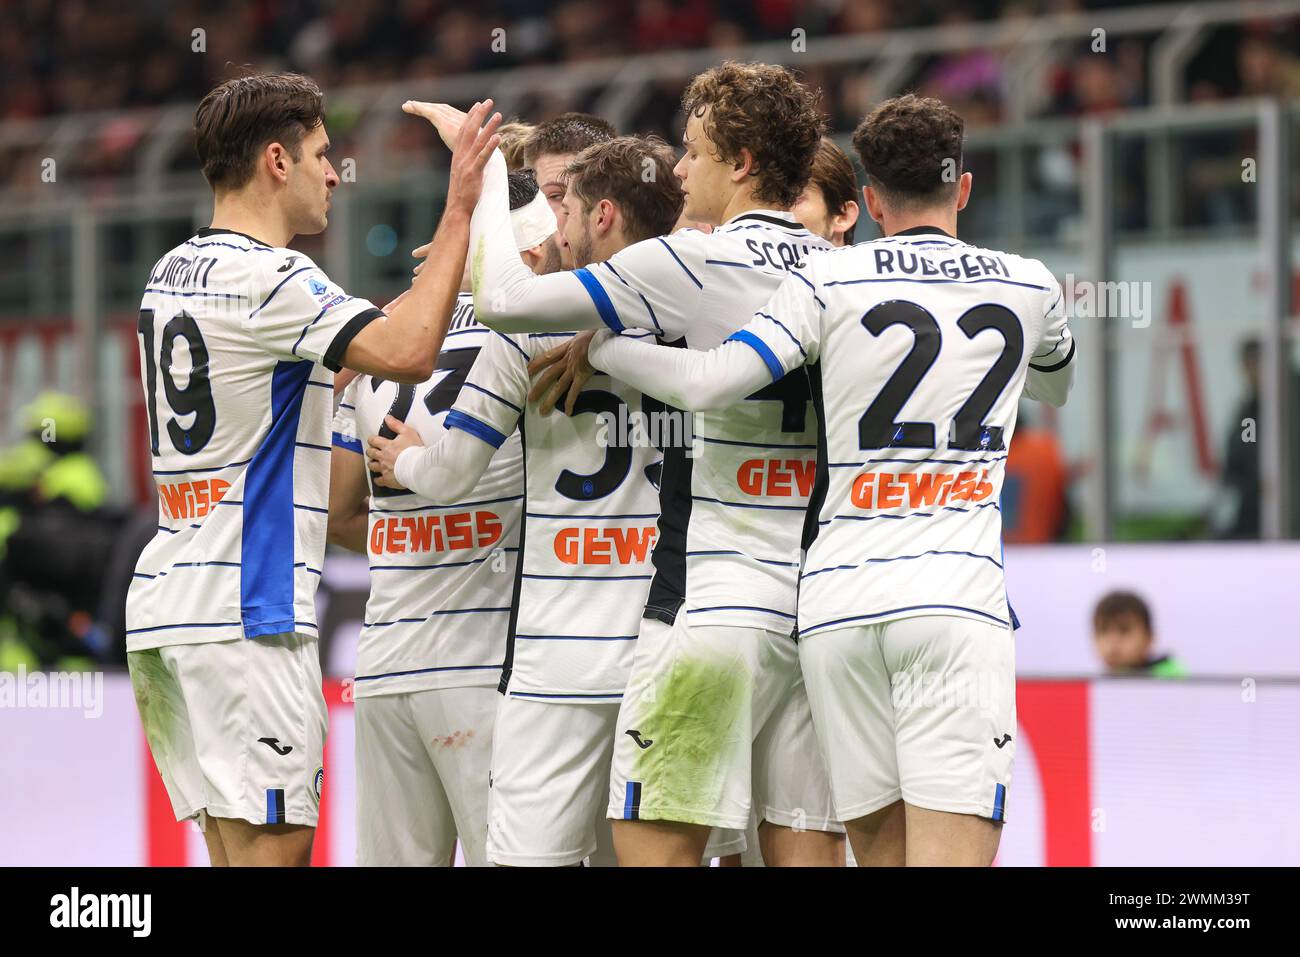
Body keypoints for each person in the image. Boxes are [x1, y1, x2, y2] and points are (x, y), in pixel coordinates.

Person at [563, 93, 1077, 866]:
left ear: (867, 200)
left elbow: (715, 378)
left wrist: (603, 346)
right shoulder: (1027, 283)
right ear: (963, 188)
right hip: (954, 596)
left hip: (836, 600)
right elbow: (1057, 385)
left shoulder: (830, 280)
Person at [446, 62, 846, 866]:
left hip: (707, 600)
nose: (681, 169)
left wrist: (488, 179)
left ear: (740, 164)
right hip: (815, 604)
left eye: (694, 152)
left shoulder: (691, 262)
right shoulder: (841, 269)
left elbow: (500, 297)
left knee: (655, 848)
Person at [125, 72, 503, 867]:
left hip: (168, 608)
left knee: (234, 854)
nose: (334, 174)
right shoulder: (278, 280)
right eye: (322, 155)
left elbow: (277, 390)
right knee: (276, 852)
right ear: (276, 161)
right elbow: (410, 353)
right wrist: (463, 206)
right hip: (249, 616)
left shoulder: (170, 273)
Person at [367, 132, 680, 866]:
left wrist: (407, 459)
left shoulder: (522, 327)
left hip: (554, 662)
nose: (553, 229)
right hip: (664, 642)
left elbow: (448, 476)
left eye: (561, 208)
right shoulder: (706, 316)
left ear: (600, 215)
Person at [326, 170, 561, 866]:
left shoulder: (386, 338)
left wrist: (413, 535)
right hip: (489, 665)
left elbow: (340, 510)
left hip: (384, 664)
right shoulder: (533, 331)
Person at [1092, 590, 1186, 678]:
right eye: (1103, 630)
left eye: (1124, 630)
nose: (1113, 640)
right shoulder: (1096, 686)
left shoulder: (1173, 680)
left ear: (1149, 638)